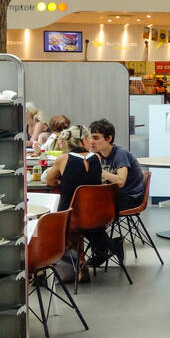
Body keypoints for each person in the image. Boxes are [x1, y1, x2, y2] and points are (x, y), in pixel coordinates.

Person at [41, 124, 103, 281]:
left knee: (64, 219)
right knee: (77, 222)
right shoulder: (97, 158)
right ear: (83, 140)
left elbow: (49, 180)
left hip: (69, 217)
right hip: (94, 215)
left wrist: (61, 182)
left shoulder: (63, 159)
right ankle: (80, 261)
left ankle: (42, 270)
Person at [85, 118, 143, 265]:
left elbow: (121, 181)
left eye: (96, 138)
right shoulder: (98, 156)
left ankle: (104, 249)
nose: (92, 141)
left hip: (130, 198)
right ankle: (108, 247)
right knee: (83, 212)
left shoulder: (120, 154)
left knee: (89, 215)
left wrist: (100, 172)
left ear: (109, 138)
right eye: (90, 137)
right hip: (113, 197)